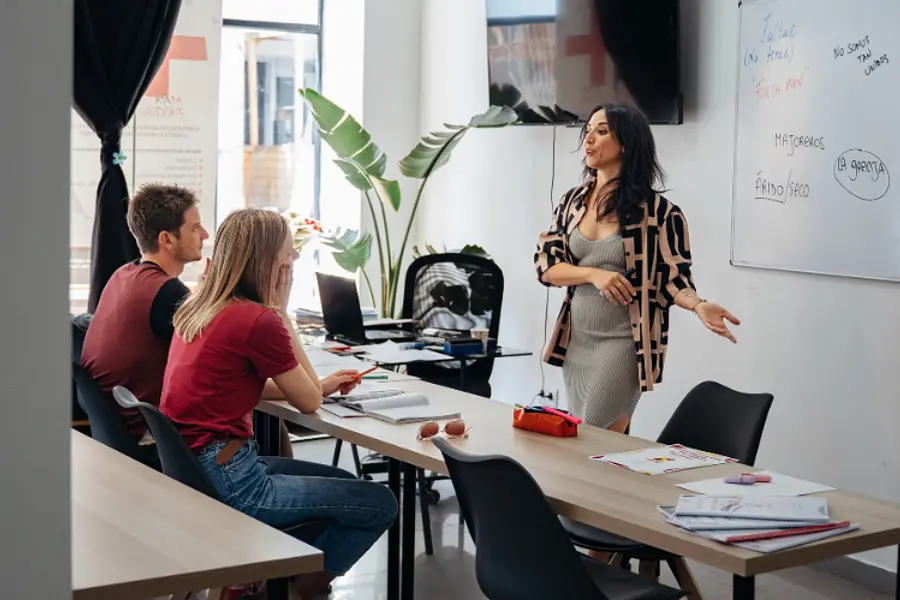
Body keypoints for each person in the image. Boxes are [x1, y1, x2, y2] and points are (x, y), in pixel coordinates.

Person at [160, 208, 398, 597]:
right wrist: (281, 311)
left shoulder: (198, 307)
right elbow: (307, 404)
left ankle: (267, 580)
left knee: (341, 484)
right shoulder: (259, 319)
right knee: (379, 502)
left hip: (196, 469)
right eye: (290, 253)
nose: (296, 261)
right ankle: (297, 591)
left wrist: (318, 384)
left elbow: (233, 384)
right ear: (267, 261)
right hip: (235, 481)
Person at [535, 104, 740, 434]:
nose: (589, 138)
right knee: (597, 447)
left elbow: (673, 279)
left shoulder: (660, 213)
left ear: (627, 143)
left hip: (624, 343)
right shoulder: (570, 202)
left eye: (601, 131)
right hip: (577, 342)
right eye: (588, 130)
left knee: (592, 434)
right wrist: (593, 274)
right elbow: (547, 267)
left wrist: (699, 305)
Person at [82, 183, 208, 446]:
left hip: (117, 429)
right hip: (151, 439)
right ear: (167, 239)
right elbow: (220, 367)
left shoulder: (124, 274)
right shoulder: (167, 293)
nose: (205, 235)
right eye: (195, 228)